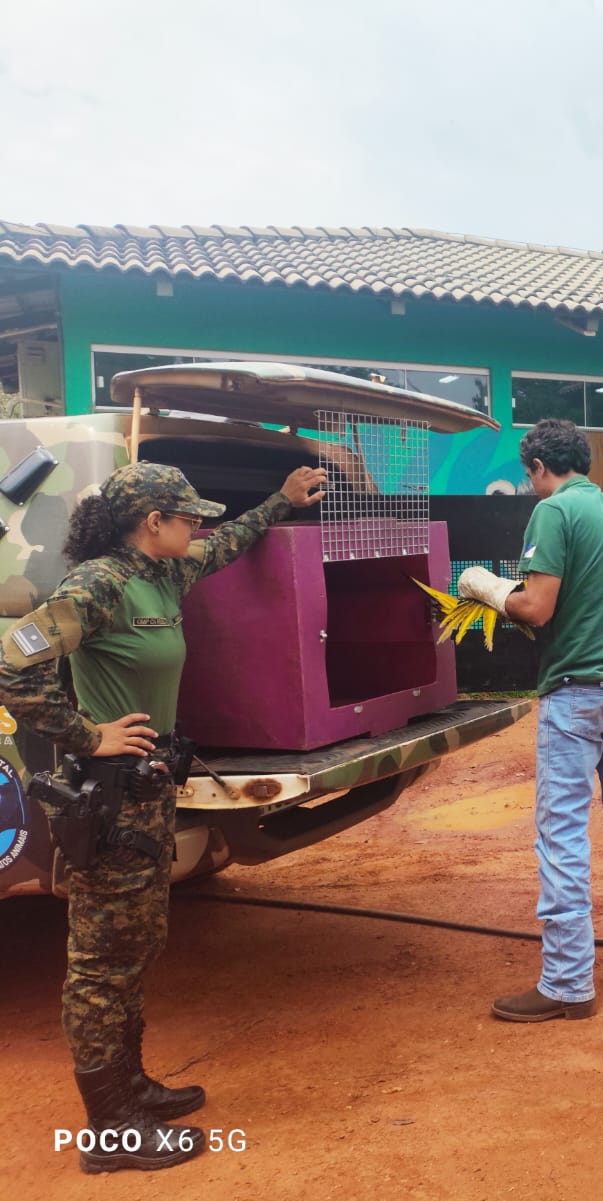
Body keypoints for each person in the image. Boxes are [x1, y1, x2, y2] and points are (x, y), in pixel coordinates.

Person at [0, 460, 326, 1173]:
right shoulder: (97, 584)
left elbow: (229, 541)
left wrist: (280, 500)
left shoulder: (164, 573)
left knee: (137, 943)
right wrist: (89, 734)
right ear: (153, 522)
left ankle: (131, 1086)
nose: (197, 527)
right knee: (100, 961)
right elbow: (11, 661)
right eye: (186, 517)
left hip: (147, 794)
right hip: (108, 796)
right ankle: (109, 1129)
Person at [457, 418, 603, 1023]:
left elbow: (537, 607)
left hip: (577, 693)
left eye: (531, 477)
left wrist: (488, 587)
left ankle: (569, 983)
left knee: (563, 834)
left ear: (539, 469)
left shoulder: (552, 511)